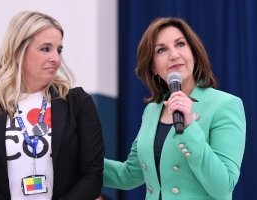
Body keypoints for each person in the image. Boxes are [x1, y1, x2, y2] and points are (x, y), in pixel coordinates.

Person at [0, 11, 104, 200]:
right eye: (46, 49)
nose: (56, 58)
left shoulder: (78, 103)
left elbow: (92, 176)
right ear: (17, 53)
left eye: (59, 50)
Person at [103, 17, 245, 200]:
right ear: (153, 66)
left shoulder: (225, 105)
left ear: (193, 53)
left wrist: (189, 129)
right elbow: (129, 175)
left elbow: (223, 186)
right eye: (161, 50)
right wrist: (78, 161)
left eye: (180, 44)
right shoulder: (152, 110)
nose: (174, 55)